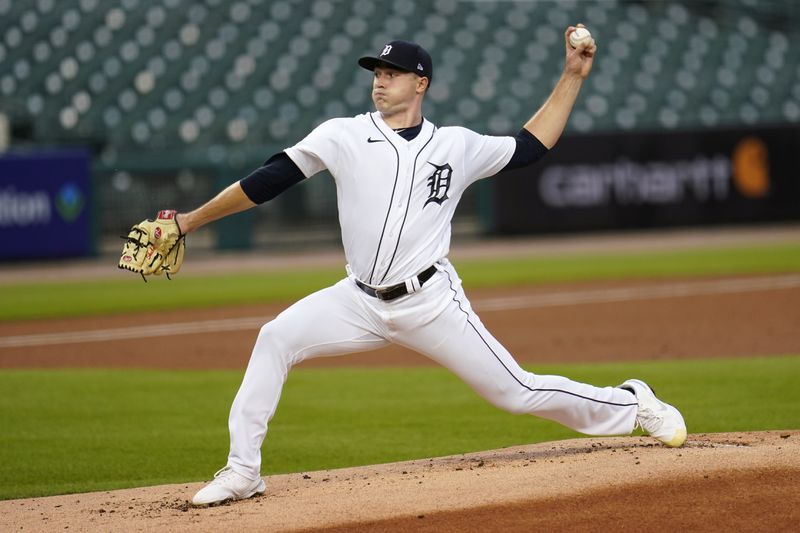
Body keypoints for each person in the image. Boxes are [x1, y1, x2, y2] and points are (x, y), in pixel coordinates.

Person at [178, 26, 686, 506]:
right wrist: (189, 222)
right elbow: (270, 179)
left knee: (515, 392)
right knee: (275, 338)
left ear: (420, 83)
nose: (380, 81)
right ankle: (243, 471)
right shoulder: (343, 135)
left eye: (392, 73)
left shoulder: (455, 146)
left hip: (429, 301)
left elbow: (530, 147)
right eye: (376, 72)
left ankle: (631, 404)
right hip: (357, 299)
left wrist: (573, 75)